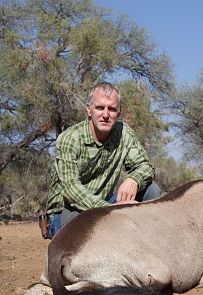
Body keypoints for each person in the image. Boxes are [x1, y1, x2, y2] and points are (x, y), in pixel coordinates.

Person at [46, 82, 161, 238]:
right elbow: (71, 191)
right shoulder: (69, 139)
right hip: (67, 210)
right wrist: (113, 210)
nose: (106, 115)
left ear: (118, 112)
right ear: (89, 110)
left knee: (150, 190)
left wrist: (134, 179)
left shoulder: (123, 133)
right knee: (84, 225)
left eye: (112, 109)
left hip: (105, 203)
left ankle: (147, 243)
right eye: (100, 108)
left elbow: (146, 166)